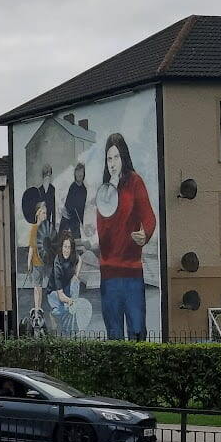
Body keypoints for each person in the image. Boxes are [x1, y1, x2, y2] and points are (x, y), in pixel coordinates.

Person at [95, 132, 155, 340]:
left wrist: (145, 234)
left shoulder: (135, 182)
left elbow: (149, 216)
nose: (112, 163)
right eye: (109, 158)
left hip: (132, 272)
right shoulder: (104, 191)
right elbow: (103, 235)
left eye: (116, 157)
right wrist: (111, 191)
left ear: (124, 157)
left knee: (138, 332)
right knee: (114, 335)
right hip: (110, 274)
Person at [46, 228, 93, 337]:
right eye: (65, 247)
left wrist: (76, 275)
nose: (67, 250)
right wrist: (70, 301)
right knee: (64, 309)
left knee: (73, 306)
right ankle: (53, 315)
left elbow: (79, 260)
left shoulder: (74, 256)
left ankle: (75, 329)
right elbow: (60, 294)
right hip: (55, 291)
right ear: (61, 247)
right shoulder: (57, 263)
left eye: (69, 247)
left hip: (68, 286)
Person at [22, 186, 56, 323]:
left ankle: (39, 307)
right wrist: (28, 263)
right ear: (37, 214)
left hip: (44, 263)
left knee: (40, 287)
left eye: (46, 213)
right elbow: (31, 247)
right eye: (43, 213)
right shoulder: (34, 228)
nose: (45, 215)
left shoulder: (46, 227)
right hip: (36, 262)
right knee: (37, 287)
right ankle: (37, 308)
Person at [63, 162, 88, 241]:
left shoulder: (84, 190)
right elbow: (67, 205)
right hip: (68, 219)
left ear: (84, 174)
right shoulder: (72, 187)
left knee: (78, 243)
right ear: (75, 174)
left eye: (81, 172)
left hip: (77, 222)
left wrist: (81, 222)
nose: (79, 174)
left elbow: (82, 209)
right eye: (77, 172)